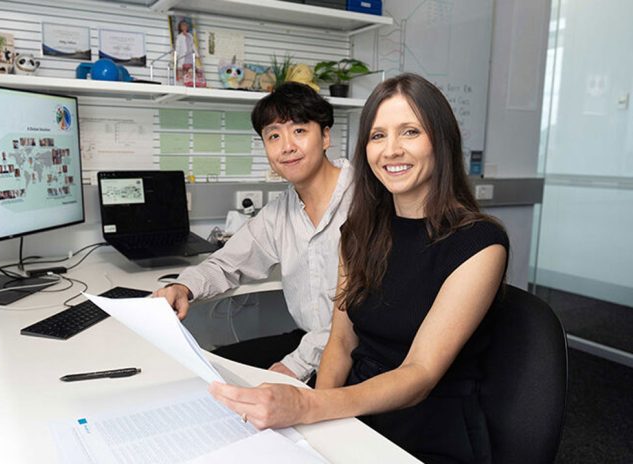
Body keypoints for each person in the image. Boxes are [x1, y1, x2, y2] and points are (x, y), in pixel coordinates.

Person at [209, 73, 509, 463]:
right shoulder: (360, 232)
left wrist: (308, 406)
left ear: (441, 139)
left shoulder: (480, 243)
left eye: (410, 132)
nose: (391, 150)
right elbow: (341, 342)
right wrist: (314, 431)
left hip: (428, 429)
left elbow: (419, 374)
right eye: (378, 136)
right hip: (354, 414)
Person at [154, 82, 354, 383]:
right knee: (208, 373)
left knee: (247, 391)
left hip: (361, 353)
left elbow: (359, 315)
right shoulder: (279, 213)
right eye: (274, 136)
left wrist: (296, 364)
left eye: (299, 130)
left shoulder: (365, 200)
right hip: (309, 343)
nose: (287, 146)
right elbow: (227, 263)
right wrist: (183, 287)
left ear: (325, 136)